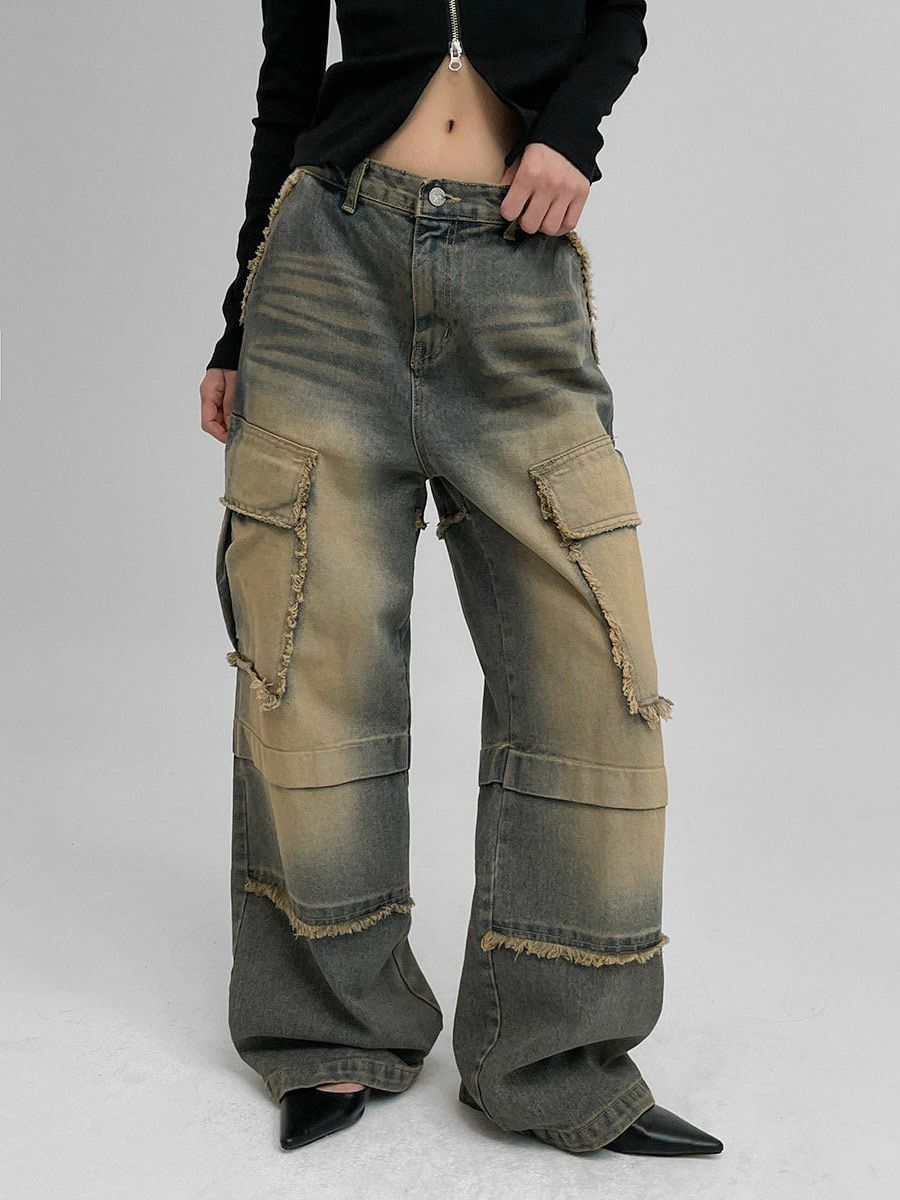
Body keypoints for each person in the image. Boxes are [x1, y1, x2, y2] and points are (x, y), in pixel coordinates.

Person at [199, 0, 723, 1159]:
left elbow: (618, 13)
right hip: (326, 270)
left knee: (594, 667)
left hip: (516, 266)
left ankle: (555, 1055)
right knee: (311, 654)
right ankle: (329, 1032)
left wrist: (569, 134)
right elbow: (287, 89)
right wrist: (240, 323)